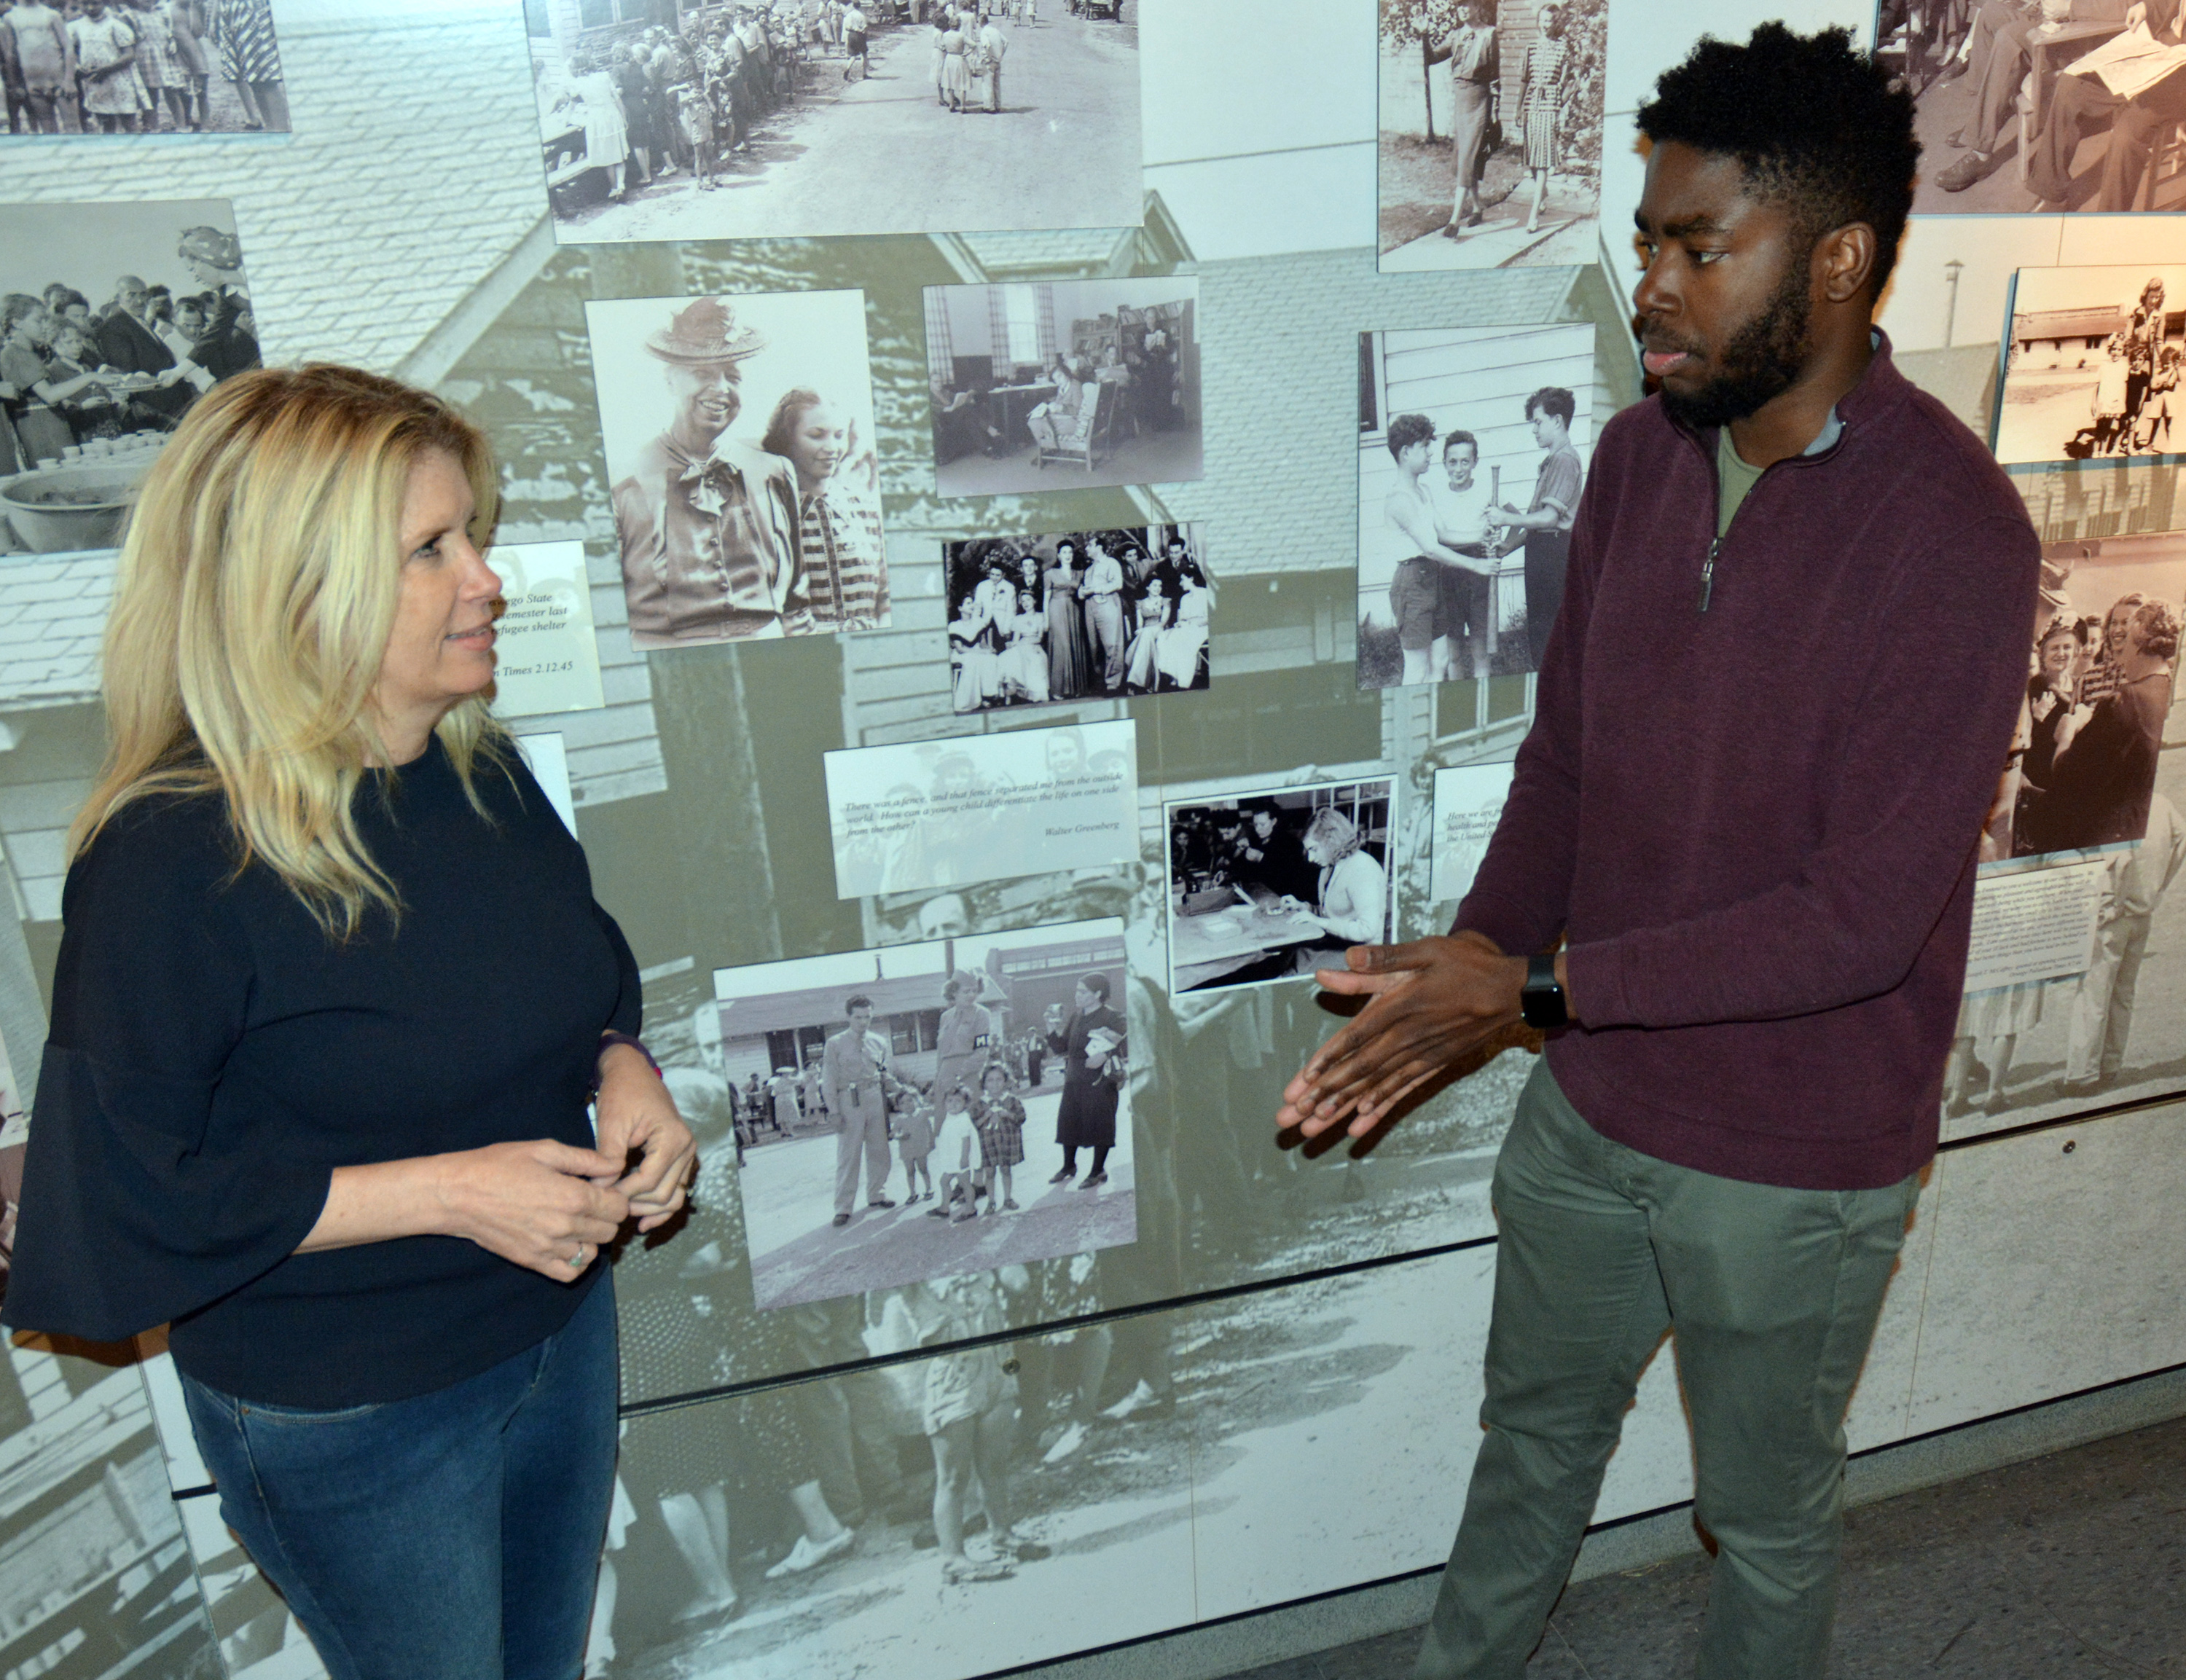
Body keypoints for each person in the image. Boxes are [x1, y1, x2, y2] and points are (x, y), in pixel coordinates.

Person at [1278, 29, 2040, 1678]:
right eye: (1647, 243)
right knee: (1528, 1449)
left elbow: (1858, 919)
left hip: (1792, 1156)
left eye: (1701, 248)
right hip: (1591, 1107)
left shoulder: (1955, 531)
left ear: (1834, 260)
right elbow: (1565, 759)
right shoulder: (1633, 460)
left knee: (1760, 1523)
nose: (1654, 286)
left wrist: (1532, 992)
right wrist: (1467, 967)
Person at [1, 364, 698, 1680]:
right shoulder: (168, 858)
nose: (487, 578)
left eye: (470, 534)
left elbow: (580, 975)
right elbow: (122, 1194)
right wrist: (447, 1192)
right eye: (431, 549)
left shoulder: (478, 771)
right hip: (354, 1408)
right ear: (296, 591)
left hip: (556, 1335)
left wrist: (625, 1067)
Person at [610, 297, 806, 645]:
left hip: (768, 645)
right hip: (670, 655)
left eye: (733, 376)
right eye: (702, 374)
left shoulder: (774, 472)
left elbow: (797, 602)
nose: (721, 389)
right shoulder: (627, 482)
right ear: (670, 381)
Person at [2022, 597, 2179, 852]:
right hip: (2145, 835)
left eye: (2126, 642)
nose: (2121, 652)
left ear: (2139, 646)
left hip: (2102, 843)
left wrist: (2068, 732)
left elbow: (2066, 774)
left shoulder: (2123, 703)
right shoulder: (2170, 694)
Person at [2063, 790, 2186, 1094]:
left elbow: (2120, 860)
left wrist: (2112, 902)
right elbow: (2182, 839)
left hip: (2113, 914)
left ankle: (2082, 1075)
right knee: (2122, 994)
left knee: (2093, 994)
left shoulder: (2113, 805)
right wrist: (2160, 886)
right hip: (2143, 911)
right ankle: (2110, 1066)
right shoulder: (2161, 803)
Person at [2027, 0, 2186, 208]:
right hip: (2161, 49)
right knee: (2072, 85)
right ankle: (2051, 193)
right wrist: (2147, 7)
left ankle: (2109, 218)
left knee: (2127, 132)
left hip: (2181, 78)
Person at [761, 388, 888, 634]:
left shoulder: (866, 508)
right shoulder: (769, 515)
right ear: (787, 439)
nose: (832, 447)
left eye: (839, 435)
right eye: (816, 435)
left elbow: (886, 594)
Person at [1384, 412, 1496, 687]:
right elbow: (1432, 548)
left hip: (1433, 579)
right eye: (1424, 446)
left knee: (1441, 660)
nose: (1430, 453)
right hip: (1412, 582)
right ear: (1406, 452)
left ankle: (1434, 708)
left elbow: (1443, 534)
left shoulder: (1423, 491)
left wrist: (1480, 536)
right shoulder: (1399, 500)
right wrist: (1476, 565)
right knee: (1417, 668)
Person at [1490, 386, 1582, 668]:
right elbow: (1537, 521)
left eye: (1538, 422)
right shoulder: (1551, 462)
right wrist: (1509, 546)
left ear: (1558, 421)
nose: (1534, 430)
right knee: (1541, 633)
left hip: (1555, 554)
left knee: (1551, 636)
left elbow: (1549, 519)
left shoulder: (1565, 460)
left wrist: (1506, 519)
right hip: (1542, 550)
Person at [1281, 806, 1389, 974]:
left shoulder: (1362, 868)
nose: (1310, 858)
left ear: (1331, 841)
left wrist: (1319, 922)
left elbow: (1367, 930)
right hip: (1337, 942)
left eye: (1314, 849)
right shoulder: (1331, 865)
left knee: (1292, 973)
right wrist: (1304, 907)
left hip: (1361, 952)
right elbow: (1333, 914)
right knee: (1288, 958)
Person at [823, 994, 899, 1228]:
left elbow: (884, 1072)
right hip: (849, 1099)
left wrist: (900, 1090)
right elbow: (829, 1079)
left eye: (867, 1017)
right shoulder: (835, 1044)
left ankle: (877, 1194)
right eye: (858, 1017)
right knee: (849, 1155)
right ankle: (843, 1207)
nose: (863, 1022)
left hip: (875, 1097)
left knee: (880, 1150)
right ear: (848, 1017)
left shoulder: (879, 1042)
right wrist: (834, 1111)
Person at [1433, 429, 1502, 679]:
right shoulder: (1435, 496)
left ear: (1475, 462)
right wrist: (1480, 536)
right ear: (1444, 463)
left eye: (1465, 461)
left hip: (1478, 574)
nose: (1459, 468)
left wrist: (1504, 546)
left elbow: (1512, 518)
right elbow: (1440, 537)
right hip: (1448, 570)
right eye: (1453, 462)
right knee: (1453, 653)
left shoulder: (1486, 492)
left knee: (1480, 652)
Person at [1046, 973, 1125, 1187]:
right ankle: (1068, 1166)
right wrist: (1050, 1028)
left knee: (1101, 1124)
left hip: (1100, 1081)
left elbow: (1129, 1042)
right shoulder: (1076, 1017)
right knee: (1069, 1123)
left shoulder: (1112, 1017)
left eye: (1082, 992)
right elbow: (1062, 1048)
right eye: (1077, 991)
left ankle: (1098, 1171)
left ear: (1098, 994)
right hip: (1074, 1079)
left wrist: (1105, 1055)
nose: (1077, 995)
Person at [1435, 0, 1500, 235]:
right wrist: (1423, 35)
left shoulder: (1489, 34)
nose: (1462, 9)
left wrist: (1495, 110)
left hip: (1480, 100)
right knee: (1465, 157)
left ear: (1477, 7)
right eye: (1458, 6)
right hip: (1461, 100)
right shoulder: (1456, 35)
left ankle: (1454, 222)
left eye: (1466, 4)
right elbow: (1431, 57)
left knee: (1468, 157)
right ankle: (1477, 208)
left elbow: (1495, 75)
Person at [1514, 1, 1571, 234]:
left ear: (1556, 23)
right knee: (1533, 160)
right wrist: (1519, 108)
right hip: (1531, 105)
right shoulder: (1531, 48)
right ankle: (1543, 192)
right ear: (1538, 22)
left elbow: (1569, 84)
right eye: (1543, 20)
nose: (1546, 25)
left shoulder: (1563, 50)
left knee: (1544, 160)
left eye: (1550, 21)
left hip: (1550, 106)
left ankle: (1533, 215)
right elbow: (1524, 81)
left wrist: (1558, 106)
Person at [68, 1, 146, 133]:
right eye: (86, 4)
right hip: (95, 80)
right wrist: (77, 66)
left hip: (119, 79)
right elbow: (71, 51)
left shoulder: (115, 25)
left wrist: (105, 69)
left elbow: (129, 55)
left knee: (128, 119)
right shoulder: (76, 26)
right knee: (105, 120)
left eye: (95, 4)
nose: (90, 8)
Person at [2, 3, 69, 134]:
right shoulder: (10, 17)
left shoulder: (51, 14)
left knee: (72, 126)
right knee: (47, 127)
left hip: (58, 79)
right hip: (34, 83)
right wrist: (14, 84)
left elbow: (67, 47)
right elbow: (11, 54)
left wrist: (69, 80)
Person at [1043, 538, 1094, 698]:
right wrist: (1046, 620)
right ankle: (1058, 689)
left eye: (1070, 552)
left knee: (1075, 645)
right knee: (1062, 646)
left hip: (1074, 610)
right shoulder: (1050, 574)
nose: (1067, 555)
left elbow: (1083, 593)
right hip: (1056, 609)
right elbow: (1046, 599)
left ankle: (1076, 689)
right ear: (1058, 556)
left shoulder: (1080, 573)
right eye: (1064, 552)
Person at [972, 1062, 1025, 1211]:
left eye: (999, 1079)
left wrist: (1008, 1114)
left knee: (1006, 1170)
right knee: (989, 1173)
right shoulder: (980, 1104)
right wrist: (986, 1116)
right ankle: (991, 1201)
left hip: (1006, 1143)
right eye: (990, 1080)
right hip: (988, 1145)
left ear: (1006, 1081)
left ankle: (1008, 1198)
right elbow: (974, 1125)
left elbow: (1021, 1118)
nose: (994, 1084)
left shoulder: (1012, 1100)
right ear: (984, 1083)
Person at [1080, 534, 1129, 692]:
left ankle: (1113, 684)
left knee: (1112, 644)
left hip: (1107, 604)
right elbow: (1084, 589)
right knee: (1094, 646)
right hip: (1090, 606)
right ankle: (1101, 680)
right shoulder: (1089, 569)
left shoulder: (1111, 563)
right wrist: (1081, 592)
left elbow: (1118, 584)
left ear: (1099, 547)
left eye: (1090, 545)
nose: (1087, 548)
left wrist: (1096, 589)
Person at [894, 1088, 936, 1204]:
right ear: (898, 1107)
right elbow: (893, 1133)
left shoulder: (922, 1113)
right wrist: (900, 1136)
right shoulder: (900, 1119)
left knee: (923, 1169)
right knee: (910, 1172)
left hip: (920, 1148)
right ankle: (912, 1193)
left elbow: (931, 1123)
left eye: (910, 1100)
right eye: (902, 1103)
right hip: (906, 1150)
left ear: (916, 1101)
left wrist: (932, 1142)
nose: (907, 1105)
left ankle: (929, 1189)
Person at [976, 9, 1006, 109]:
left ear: (981, 22)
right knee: (997, 84)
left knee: (987, 84)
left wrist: (989, 57)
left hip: (989, 61)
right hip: (998, 60)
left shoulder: (984, 32)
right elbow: (1006, 42)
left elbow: (987, 45)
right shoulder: (995, 30)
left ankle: (989, 106)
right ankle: (998, 105)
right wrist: (1001, 54)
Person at [842, 0, 867, 77]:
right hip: (859, 35)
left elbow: (847, 27)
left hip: (851, 35)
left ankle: (847, 69)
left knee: (853, 56)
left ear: (853, 6)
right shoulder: (861, 16)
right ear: (860, 6)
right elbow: (865, 27)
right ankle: (864, 73)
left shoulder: (849, 15)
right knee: (864, 54)